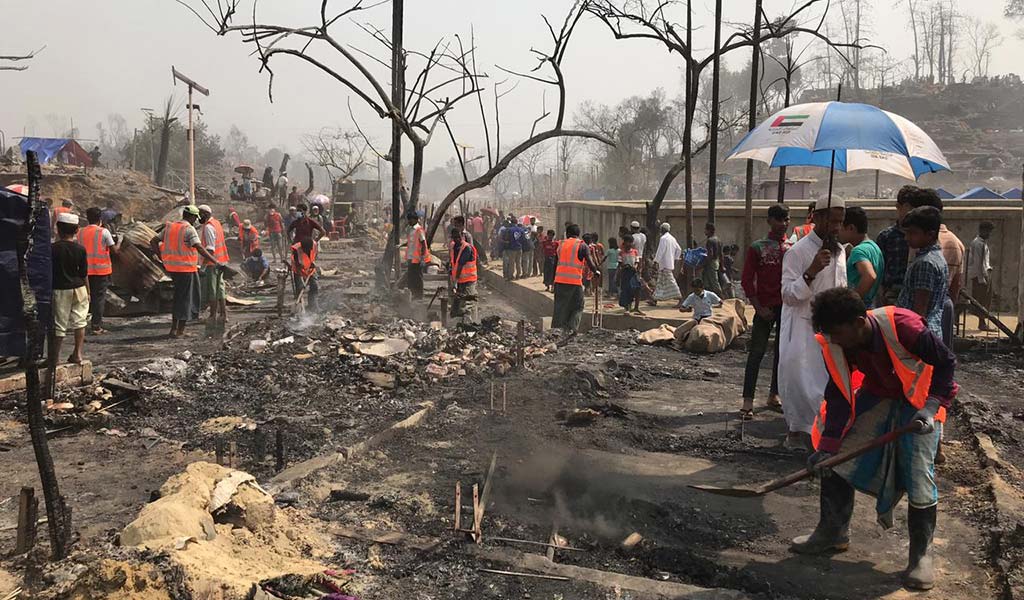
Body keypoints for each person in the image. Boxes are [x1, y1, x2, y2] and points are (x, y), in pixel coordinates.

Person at [798, 288, 956, 591]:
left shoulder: (904, 327)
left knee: (919, 472)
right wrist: (827, 446)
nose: (834, 340)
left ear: (859, 323)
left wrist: (931, 407)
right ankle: (832, 531)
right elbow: (839, 393)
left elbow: (946, 362)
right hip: (878, 394)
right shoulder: (837, 342)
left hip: (920, 400)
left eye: (837, 333)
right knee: (834, 455)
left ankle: (921, 556)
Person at [779, 198, 848, 451]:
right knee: (801, 383)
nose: (836, 227)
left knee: (827, 386)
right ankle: (797, 434)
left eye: (840, 222)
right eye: (832, 221)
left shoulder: (840, 252)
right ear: (816, 218)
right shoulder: (797, 252)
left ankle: (822, 437)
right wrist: (811, 272)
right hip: (802, 331)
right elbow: (787, 295)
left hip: (831, 332)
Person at [740, 203, 791, 419]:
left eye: (786, 219)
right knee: (757, 353)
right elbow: (746, 280)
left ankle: (774, 394)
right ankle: (747, 401)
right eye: (779, 219)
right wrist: (758, 307)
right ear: (769, 220)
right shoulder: (758, 248)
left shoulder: (793, 248)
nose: (783, 224)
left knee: (782, 353)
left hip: (786, 309)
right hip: (764, 308)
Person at [150, 205, 221, 337]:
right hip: (186, 269)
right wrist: (215, 261)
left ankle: (174, 329)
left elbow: (153, 241)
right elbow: (199, 248)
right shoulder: (189, 229)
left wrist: (161, 257)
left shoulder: (170, 227)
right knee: (186, 299)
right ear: (192, 216)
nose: (195, 220)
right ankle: (180, 331)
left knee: (178, 298)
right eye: (195, 218)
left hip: (172, 269)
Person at [897, 207, 949, 340]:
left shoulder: (925, 263)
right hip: (929, 331)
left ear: (930, 234)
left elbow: (919, 310)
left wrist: (911, 337)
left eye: (912, 233)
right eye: (906, 232)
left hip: (918, 333)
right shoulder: (936, 257)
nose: (906, 238)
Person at [52, 213, 89, 364]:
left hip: (60, 289)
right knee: (80, 322)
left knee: (59, 324)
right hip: (79, 288)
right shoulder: (80, 249)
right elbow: (84, 273)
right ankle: (78, 354)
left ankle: (55, 358)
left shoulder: (52, 249)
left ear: (58, 229)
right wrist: (88, 291)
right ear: (77, 230)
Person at [552, 224, 601, 333]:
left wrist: (552, 281)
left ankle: (556, 330)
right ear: (578, 234)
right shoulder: (582, 245)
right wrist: (596, 272)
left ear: (567, 233)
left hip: (559, 281)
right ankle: (572, 329)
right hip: (574, 282)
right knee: (578, 306)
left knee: (559, 307)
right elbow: (590, 262)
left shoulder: (560, 244)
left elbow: (555, 264)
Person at [79, 207, 120, 334]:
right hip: (100, 271)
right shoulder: (104, 232)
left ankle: (81, 324)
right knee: (98, 298)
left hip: (84, 271)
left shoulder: (80, 232)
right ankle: (96, 326)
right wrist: (120, 241)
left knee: (85, 297)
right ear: (100, 219)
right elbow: (115, 251)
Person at [876, 187, 915, 305]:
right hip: (892, 294)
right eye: (908, 207)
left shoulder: (921, 237)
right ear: (898, 207)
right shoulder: (886, 236)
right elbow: (879, 269)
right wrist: (882, 293)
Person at [840, 206, 884, 306]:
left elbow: (870, 276)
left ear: (851, 228)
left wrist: (851, 302)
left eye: (841, 227)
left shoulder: (858, 251)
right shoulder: (874, 247)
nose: (838, 231)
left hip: (859, 307)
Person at [198, 205, 230, 328]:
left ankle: (212, 316)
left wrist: (203, 266)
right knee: (220, 289)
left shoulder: (208, 227)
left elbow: (210, 249)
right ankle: (223, 315)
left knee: (212, 291)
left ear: (205, 214)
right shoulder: (216, 223)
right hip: (220, 262)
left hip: (212, 263)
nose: (198, 217)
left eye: (200, 214)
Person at [967, 221, 995, 331]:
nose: (989, 234)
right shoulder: (978, 244)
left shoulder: (982, 243)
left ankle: (982, 322)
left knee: (984, 300)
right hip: (980, 276)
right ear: (982, 230)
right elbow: (978, 263)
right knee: (980, 300)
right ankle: (982, 323)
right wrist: (981, 278)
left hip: (984, 274)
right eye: (988, 231)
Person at [449, 227, 479, 317]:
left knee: (469, 301)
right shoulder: (453, 246)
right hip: (460, 279)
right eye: (455, 238)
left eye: (459, 237)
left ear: (462, 236)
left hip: (469, 279)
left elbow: (460, 265)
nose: (457, 239)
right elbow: (453, 262)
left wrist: (455, 281)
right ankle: (457, 319)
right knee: (458, 302)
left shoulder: (466, 248)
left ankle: (471, 321)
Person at [651, 222, 682, 304]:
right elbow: (679, 249)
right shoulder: (672, 238)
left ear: (662, 229)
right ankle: (654, 299)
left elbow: (660, 251)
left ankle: (680, 298)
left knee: (671, 282)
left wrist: (656, 261)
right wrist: (674, 258)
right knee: (660, 282)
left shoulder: (663, 238)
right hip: (668, 263)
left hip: (664, 264)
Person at [404, 211, 430, 299]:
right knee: (411, 277)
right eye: (408, 220)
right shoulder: (410, 229)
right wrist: (401, 245)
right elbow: (411, 242)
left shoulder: (419, 230)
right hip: (411, 257)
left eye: (410, 220)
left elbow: (423, 244)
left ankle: (419, 295)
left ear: (415, 220)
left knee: (418, 277)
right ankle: (413, 294)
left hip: (417, 259)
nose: (409, 221)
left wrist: (422, 258)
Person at [291, 237, 319, 312]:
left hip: (310, 269)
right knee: (300, 288)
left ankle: (313, 305)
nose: (308, 251)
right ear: (303, 248)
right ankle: (301, 308)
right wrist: (302, 280)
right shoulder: (296, 250)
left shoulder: (314, 245)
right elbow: (297, 266)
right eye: (306, 250)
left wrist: (313, 262)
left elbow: (315, 254)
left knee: (314, 286)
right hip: (298, 270)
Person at [617, 234, 641, 313]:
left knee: (637, 289)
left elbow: (637, 262)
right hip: (625, 273)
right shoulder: (621, 252)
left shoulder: (635, 252)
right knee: (626, 290)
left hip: (633, 273)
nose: (628, 244)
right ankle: (627, 308)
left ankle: (636, 307)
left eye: (630, 242)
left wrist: (635, 267)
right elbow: (620, 263)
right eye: (627, 242)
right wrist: (624, 267)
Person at [701, 222, 724, 296]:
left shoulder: (710, 240)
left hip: (711, 263)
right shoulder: (718, 240)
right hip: (716, 262)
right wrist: (722, 265)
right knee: (707, 282)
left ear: (709, 230)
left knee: (714, 282)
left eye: (705, 229)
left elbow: (710, 255)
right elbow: (721, 254)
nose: (704, 231)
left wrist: (703, 263)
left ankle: (721, 297)